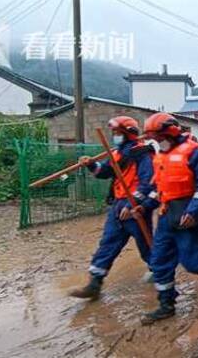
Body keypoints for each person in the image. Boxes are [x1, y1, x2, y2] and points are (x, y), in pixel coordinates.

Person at [137, 112, 198, 324]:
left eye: (158, 137)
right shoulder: (160, 157)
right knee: (159, 262)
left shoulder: (195, 153)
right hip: (166, 217)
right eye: (153, 139)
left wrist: (193, 210)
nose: (156, 142)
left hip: (189, 218)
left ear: (171, 132)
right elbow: (156, 188)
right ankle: (166, 304)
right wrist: (144, 206)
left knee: (194, 265)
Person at [70, 116, 154, 300]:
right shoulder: (117, 153)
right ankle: (94, 283)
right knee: (108, 243)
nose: (115, 136)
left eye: (118, 133)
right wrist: (92, 165)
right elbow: (105, 171)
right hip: (117, 205)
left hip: (135, 207)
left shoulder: (143, 153)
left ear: (127, 134)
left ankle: (161, 274)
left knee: (146, 245)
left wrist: (135, 204)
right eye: (114, 133)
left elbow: (148, 183)